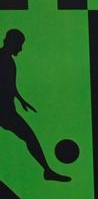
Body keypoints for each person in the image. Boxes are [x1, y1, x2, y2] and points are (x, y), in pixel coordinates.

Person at [0, 28, 70, 182]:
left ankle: (47, 171)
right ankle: (47, 171)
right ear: (11, 42)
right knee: (30, 137)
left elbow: (9, 86)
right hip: (4, 112)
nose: (21, 48)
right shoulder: (4, 59)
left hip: (7, 111)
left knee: (29, 137)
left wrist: (21, 99)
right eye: (19, 44)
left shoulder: (7, 60)